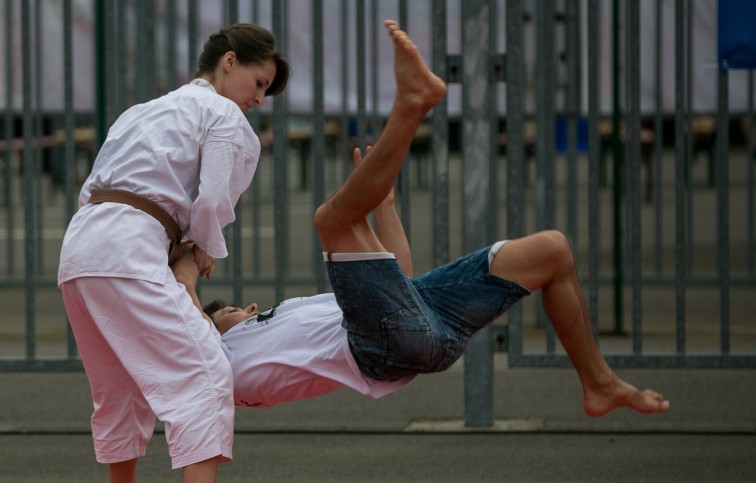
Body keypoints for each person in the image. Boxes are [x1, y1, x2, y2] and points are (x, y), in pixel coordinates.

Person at [173, 20, 670, 417]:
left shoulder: (280, 321)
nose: (246, 307)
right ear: (218, 327)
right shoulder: (218, 358)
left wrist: (383, 207)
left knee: (551, 250)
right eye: (232, 311)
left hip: (423, 331)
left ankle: (598, 383)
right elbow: (185, 307)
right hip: (381, 349)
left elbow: (398, 285)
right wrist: (191, 260)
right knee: (333, 219)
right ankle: (410, 104)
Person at [58, 23, 289, 483]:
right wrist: (203, 249)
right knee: (204, 365)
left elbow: (96, 185)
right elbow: (211, 201)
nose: (259, 98)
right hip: (129, 245)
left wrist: (172, 246)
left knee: (117, 377)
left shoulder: (142, 111)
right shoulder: (223, 114)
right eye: (258, 82)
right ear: (228, 62)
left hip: (83, 244)